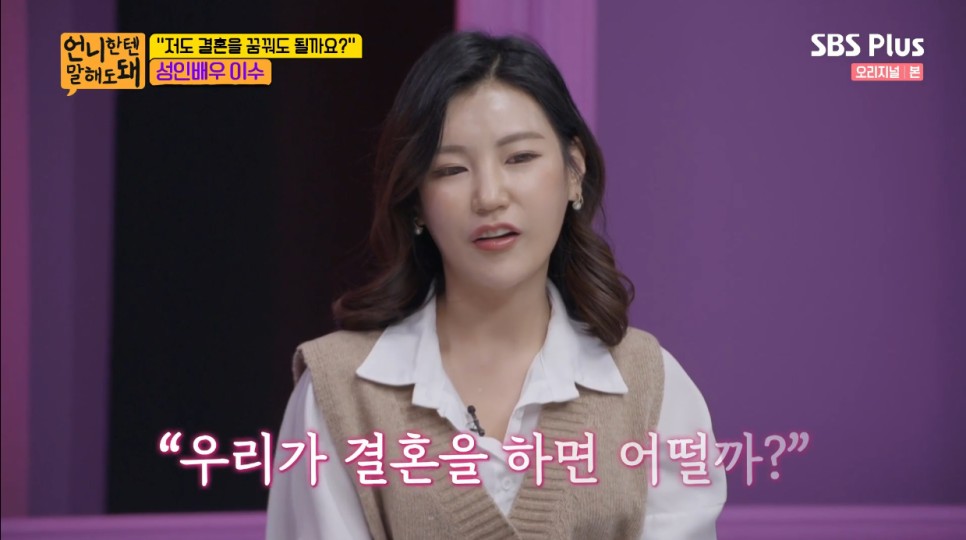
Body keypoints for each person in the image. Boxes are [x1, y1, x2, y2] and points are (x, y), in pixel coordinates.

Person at [266, 30, 726, 539]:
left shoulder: (652, 386)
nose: (489, 196)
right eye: (451, 169)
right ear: (416, 201)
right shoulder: (336, 394)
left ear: (574, 171)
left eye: (520, 158)